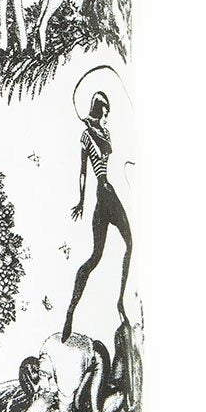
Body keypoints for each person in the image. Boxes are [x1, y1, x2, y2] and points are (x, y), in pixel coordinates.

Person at [62, 92, 133, 341]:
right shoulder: (86, 135)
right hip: (103, 195)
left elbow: (107, 151)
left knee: (126, 245)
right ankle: (71, 310)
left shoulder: (104, 132)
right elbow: (83, 170)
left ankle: (120, 301)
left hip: (108, 192)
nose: (106, 118)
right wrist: (81, 200)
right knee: (96, 256)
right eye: (104, 114)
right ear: (97, 112)